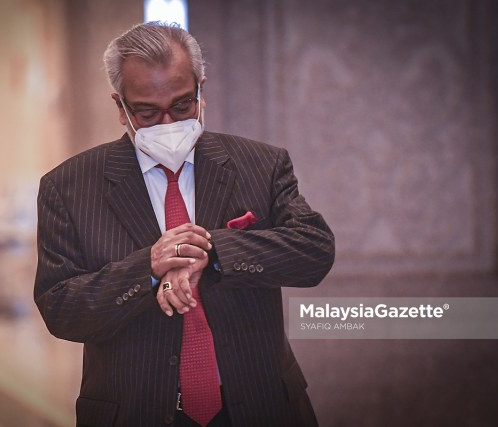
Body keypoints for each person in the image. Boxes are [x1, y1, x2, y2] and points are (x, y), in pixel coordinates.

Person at [34, 21, 334, 427]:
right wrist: (148, 268)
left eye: (181, 105)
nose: (168, 124)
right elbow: (60, 308)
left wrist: (212, 255)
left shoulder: (261, 165)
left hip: (262, 406)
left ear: (200, 90)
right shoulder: (68, 187)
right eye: (146, 112)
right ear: (120, 108)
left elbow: (314, 250)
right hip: (135, 413)